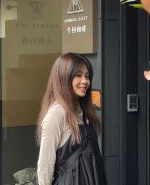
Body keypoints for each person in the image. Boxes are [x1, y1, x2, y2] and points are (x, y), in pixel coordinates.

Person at [36, 53, 107, 185]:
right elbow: (45, 166)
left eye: (87, 76)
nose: (85, 81)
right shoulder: (57, 113)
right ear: (64, 78)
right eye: (78, 75)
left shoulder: (82, 110)